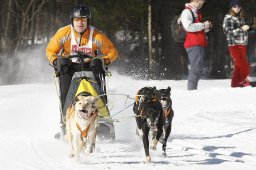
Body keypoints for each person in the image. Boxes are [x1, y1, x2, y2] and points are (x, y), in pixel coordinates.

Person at [46, 4, 118, 139]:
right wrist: (57, 61)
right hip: (70, 67)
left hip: (90, 66)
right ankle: (65, 125)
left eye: (83, 20)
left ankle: (103, 121)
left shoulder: (96, 35)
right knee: (66, 89)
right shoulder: (64, 33)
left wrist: (104, 60)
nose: (80, 23)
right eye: (77, 20)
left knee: (97, 82)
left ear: (88, 21)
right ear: (72, 21)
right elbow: (50, 51)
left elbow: (113, 52)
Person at [180, 0, 212, 90]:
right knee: (196, 67)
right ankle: (191, 89)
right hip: (193, 43)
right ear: (194, 1)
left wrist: (207, 27)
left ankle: (193, 88)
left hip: (199, 43)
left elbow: (198, 29)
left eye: (202, 3)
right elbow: (188, 27)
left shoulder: (195, 12)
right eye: (199, 2)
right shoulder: (187, 12)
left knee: (198, 67)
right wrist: (203, 25)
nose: (200, 5)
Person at [223, 0, 250, 87]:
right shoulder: (228, 18)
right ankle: (242, 81)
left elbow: (241, 32)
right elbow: (228, 32)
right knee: (245, 67)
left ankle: (234, 86)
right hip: (234, 45)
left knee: (238, 68)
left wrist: (248, 28)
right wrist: (241, 29)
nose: (237, 8)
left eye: (238, 6)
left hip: (242, 45)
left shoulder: (241, 18)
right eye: (234, 6)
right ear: (231, 8)